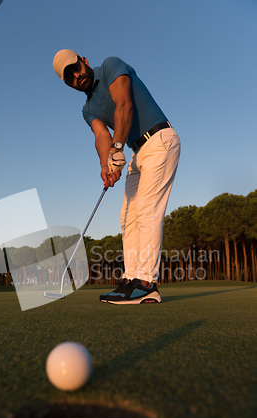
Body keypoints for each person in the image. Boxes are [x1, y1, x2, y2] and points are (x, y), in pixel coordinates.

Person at [53, 50, 181, 305]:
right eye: (70, 77)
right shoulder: (87, 109)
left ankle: (147, 283)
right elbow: (102, 137)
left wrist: (117, 147)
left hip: (159, 139)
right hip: (137, 151)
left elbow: (125, 104)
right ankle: (131, 279)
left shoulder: (111, 66)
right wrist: (107, 165)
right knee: (127, 215)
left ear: (84, 61)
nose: (77, 75)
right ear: (67, 84)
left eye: (76, 68)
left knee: (146, 210)